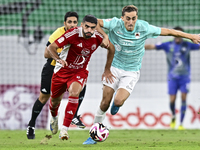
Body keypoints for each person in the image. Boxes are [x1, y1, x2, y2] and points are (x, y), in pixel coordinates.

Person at [83, 5, 200, 144]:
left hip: (131, 71)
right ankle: (93, 135)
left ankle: (117, 104)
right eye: (128, 19)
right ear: (123, 18)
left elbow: (169, 32)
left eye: (133, 18)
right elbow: (94, 21)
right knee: (104, 103)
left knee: (118, 101)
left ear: (136, 18)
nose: (131, 22)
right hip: (114, 68)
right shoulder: (115, 23)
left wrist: (191, 36)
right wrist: (105, 35)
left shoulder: (144, 27)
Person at [47, 14, 115, 140]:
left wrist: (107, 69)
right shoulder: (72, 34)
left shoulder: (98, 38)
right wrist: (58, 59)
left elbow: (112, 48)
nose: (89, 30)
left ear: (95, 28)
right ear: (82, 25)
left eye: (92, 28)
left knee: (75, 92)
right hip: (62, 70)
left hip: (79, 71)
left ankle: (64, 130)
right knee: (55, 102)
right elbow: (51, 47)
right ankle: (54, 117)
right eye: (87, 27)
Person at [26, 12, 86, 139]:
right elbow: (46, 54)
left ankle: (74, 116)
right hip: (53, 68)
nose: (72, 25)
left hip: (70, 70)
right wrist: (59, 55)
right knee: (44, 97)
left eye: (75, 22)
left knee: (81, 86)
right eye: (69, 22)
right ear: (64, 23)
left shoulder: (80, 34)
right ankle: (31, 124)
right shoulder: (58, 33)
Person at [145, 26, 200, 130]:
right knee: (172, 100)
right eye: (177, 34)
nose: (178, 37)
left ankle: (181, 124)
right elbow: (153, 46)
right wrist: (138, 47)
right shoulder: (167, 44)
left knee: (184, 99)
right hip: (172, 78)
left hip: (185, 77)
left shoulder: (187, 45)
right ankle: (174, 116)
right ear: (174, 35)